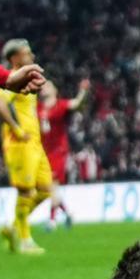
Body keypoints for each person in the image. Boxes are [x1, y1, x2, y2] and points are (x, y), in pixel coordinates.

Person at [0, 39, 52, 254]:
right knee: (26, 192)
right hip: (20, 144)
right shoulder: (11, 81)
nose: (32, 56)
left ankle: (12, 227)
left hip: (35, 143)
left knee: (45, 190)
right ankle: (25, 240)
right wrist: (16, 129)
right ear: (14, 59)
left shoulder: (26, 79)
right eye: (26, 54)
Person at [38, 79, 90, 228]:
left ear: (55, 90)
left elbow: (77, 104)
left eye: (48, 85)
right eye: (43, 86)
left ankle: (52, 220)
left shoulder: (60, 105)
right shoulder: (39, 108)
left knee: (52, 184)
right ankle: (67, 214)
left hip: (58, 151)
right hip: (44, 152)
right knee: (47, 187)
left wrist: (83, 91)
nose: (44, 88)